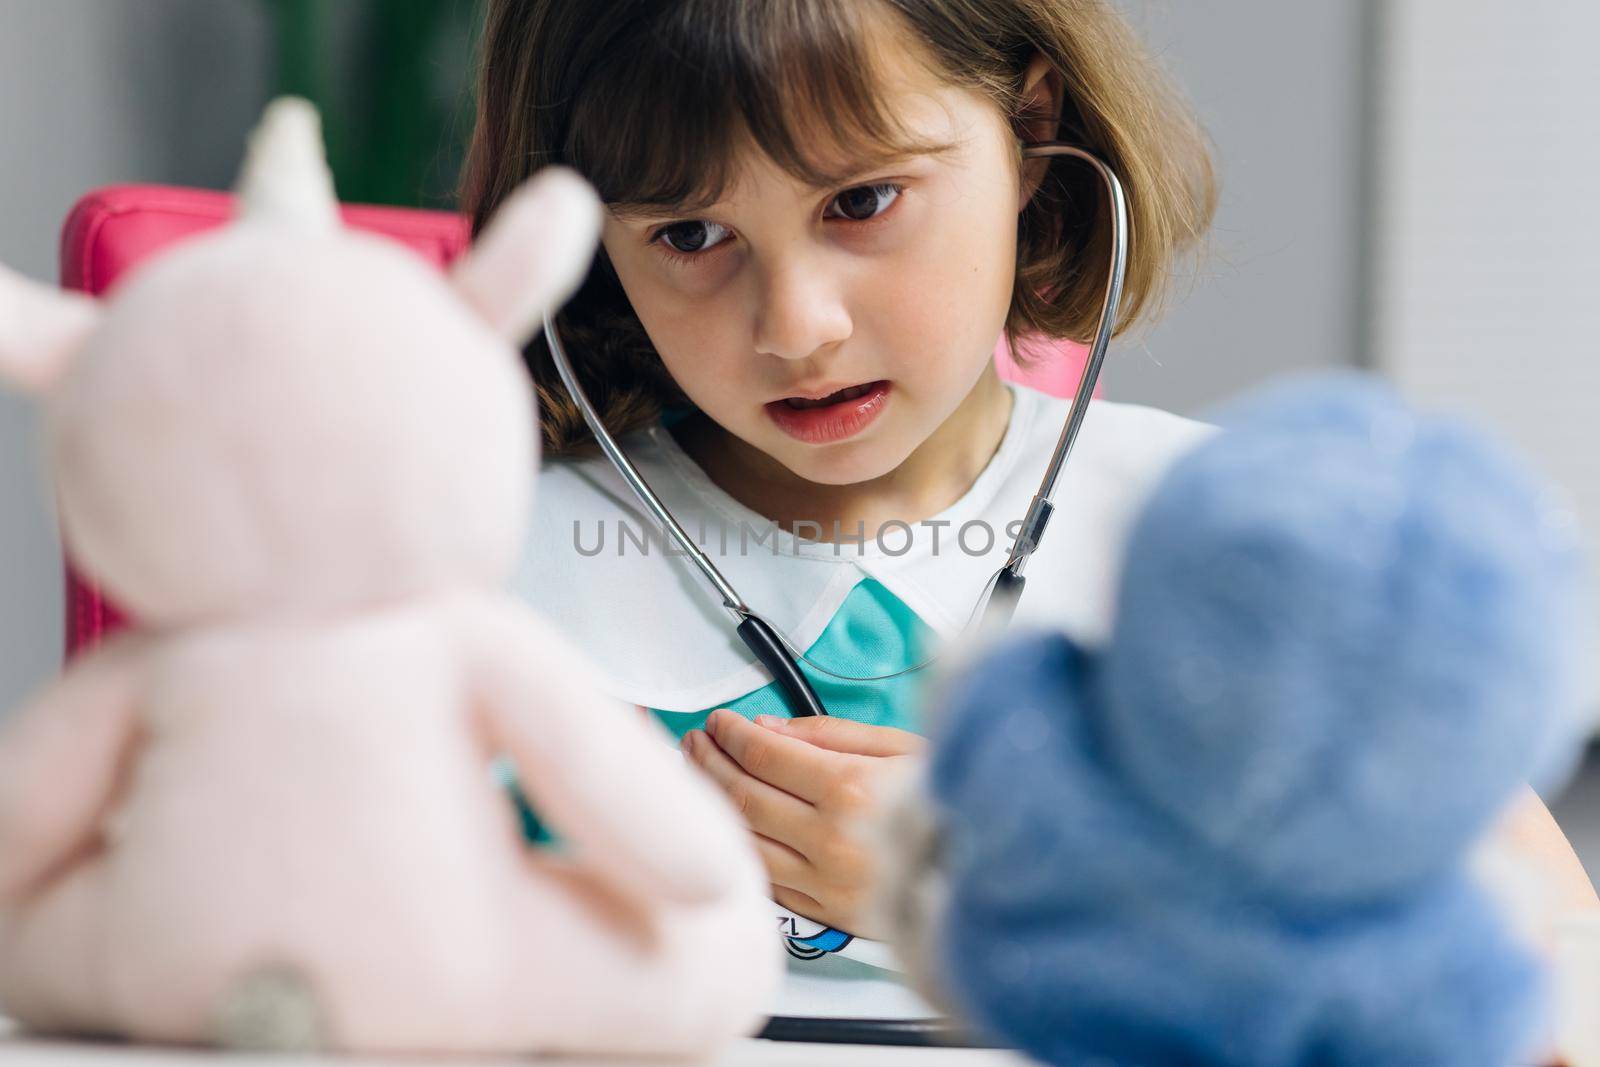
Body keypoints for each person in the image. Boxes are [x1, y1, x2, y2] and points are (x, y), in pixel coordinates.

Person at [458, 0, 1596, 1017]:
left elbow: (1550, 976)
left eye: (861, 200)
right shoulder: (468, 571)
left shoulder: (1244, 547)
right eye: (690, 235)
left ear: (1031, 133)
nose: (794, 323)